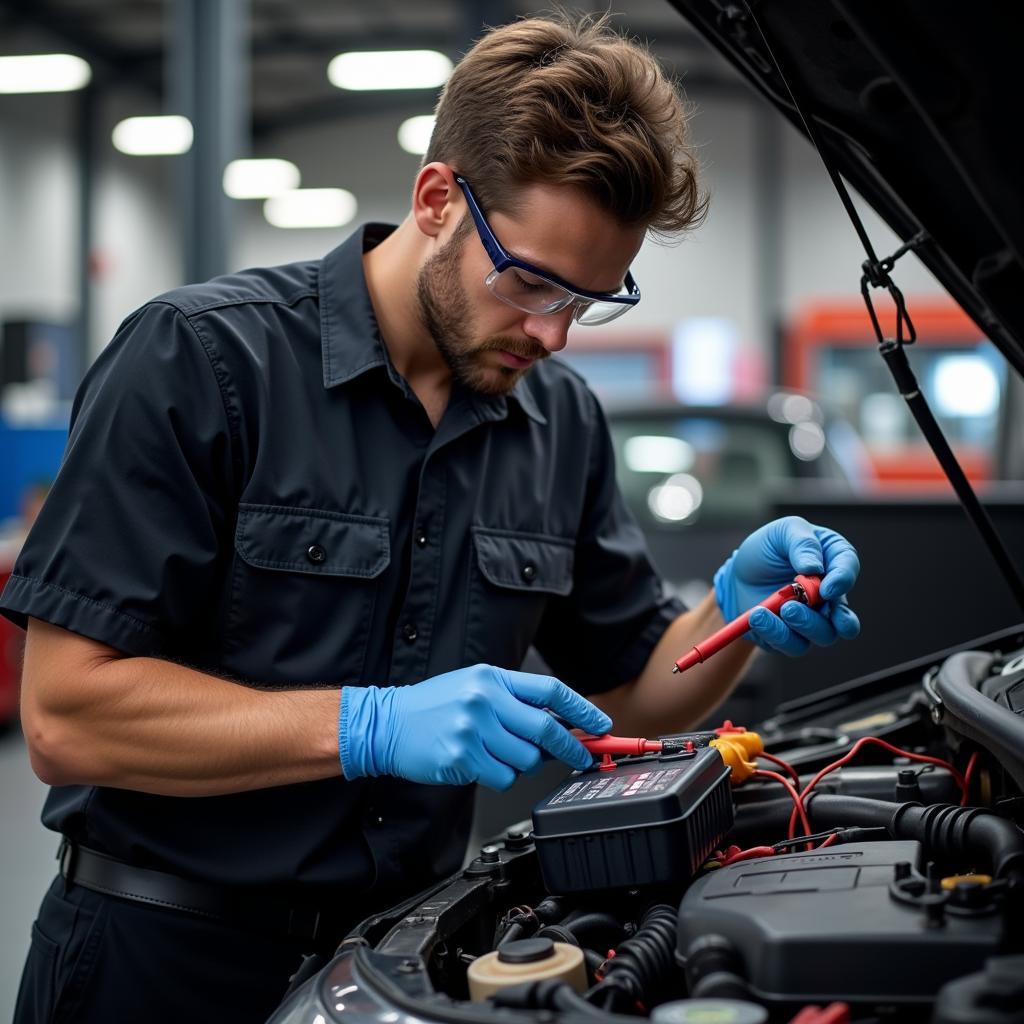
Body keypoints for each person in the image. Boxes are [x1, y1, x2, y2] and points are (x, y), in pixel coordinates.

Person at [0, 12, 860, 1024]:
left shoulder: (558, 420)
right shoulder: (203, 361)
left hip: (408, 973)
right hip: (162, 966)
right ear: (438, 198)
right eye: (530, 281)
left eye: (590, 300)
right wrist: (364, 724)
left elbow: (630, 693)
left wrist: (729, 610)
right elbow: (67, 716)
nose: (552, 332)